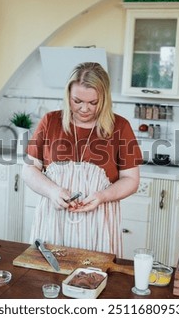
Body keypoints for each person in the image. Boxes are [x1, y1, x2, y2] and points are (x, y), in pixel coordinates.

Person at [21, 62, 142, 257]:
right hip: (54, 220)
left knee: (95, 277)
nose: (85, 109)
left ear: (104, 99)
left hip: (99, 222)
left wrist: (102, 196)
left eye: (93, 103)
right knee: (46, 279)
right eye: (77, 101)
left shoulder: (120, 127)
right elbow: (29, 169)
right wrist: (52, 191)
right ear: (68, 95)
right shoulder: (50, 121)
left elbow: (131, 179)